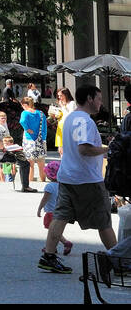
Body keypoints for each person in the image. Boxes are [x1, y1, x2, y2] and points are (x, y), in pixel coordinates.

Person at [38, 85, 117, 274]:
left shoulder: (71, 117)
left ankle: (48, 256)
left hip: (67, 176)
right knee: (103, 220)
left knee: (61, 216)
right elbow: (84, 149)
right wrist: (109, 149)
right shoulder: (84, 121)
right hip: (87, 179)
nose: (100, 103)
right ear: (89, 98)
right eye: (98, 98)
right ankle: (118, 261)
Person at [36, 160, 73, 256]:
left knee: (52, 230)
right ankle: (53, 247)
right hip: (60, 211)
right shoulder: (62, 186)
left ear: (49, 175)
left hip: (50, 212)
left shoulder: (49, 186)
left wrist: (40, 208)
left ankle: (64, 243)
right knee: (55, 229)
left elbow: (45, 199)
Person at [19, 96, 48, 186]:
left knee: (30, 163)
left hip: (29, 140)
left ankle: (30, 181)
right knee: (41, 162)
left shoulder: (25, 113)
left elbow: (22, 121)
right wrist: (44, 138)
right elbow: (44, 127)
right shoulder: (41, 113)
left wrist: (27, 129)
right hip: (40, 140)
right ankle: (43, 180)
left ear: (24, 105)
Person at [51, 87, 76, 156]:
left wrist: (63, 106)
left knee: (69, 152)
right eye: (58, 96)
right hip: (61, 128)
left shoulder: (71, 103)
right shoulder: (62, 105)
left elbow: (70, 116)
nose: (59, 97)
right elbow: (61, 117)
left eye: (61, 95)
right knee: (62, 152)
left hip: (69, 129)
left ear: (66, 95)